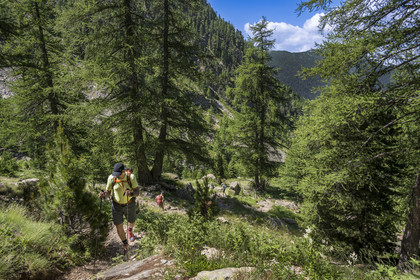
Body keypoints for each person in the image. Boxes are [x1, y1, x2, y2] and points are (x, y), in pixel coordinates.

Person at [99, 163, 140, 251]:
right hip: (116, 205)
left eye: (118, 174)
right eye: (115, 174)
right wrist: (103, 195)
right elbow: (108, 192)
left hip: (129, 203)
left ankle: (130, 230)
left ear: (123, 171)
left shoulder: (131, 177)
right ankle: (125, 243)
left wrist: (131, 194)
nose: (116, 176)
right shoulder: (111, 178)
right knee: (118, 226)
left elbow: (137, 192)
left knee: (132, 221)